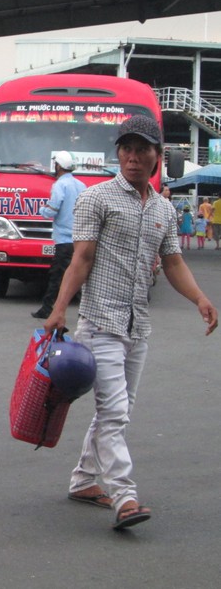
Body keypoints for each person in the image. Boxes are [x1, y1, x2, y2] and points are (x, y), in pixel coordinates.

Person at [44, 115, 217, 531]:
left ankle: (85, 480)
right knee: (115, 411)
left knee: (117, 412)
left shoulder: (162, 208)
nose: (133, 157)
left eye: (142, 150)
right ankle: (124, 496)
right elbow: (80, 259)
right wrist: (58, 308)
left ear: (158, 157)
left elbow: (173, 262)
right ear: (118, 153)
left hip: (137, 326)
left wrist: (200, 298)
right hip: (100, 321)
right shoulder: (96, 199)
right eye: (126, 149)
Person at [31, 151, 86, 319]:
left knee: (57, 276)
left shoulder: (60, 185)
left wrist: (42, 210)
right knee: (81, 276)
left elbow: (52, 209)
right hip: (80, 240)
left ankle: (47, 308)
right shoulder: (81, 185)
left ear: (58, 166)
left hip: (63, 240)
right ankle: (87, 311)